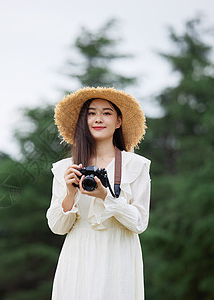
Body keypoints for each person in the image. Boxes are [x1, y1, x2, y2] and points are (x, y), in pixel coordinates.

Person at [46, 87, 151, 300]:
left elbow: (139, 223)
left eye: (107, 113)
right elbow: (57, 227)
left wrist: (106, 196)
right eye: (91, 113)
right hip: (77, 257)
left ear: (119, 121)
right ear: (83, 121)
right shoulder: (65, 168)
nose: (98, 119)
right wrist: (69, 193)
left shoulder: (136, 165)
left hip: (119, 256)